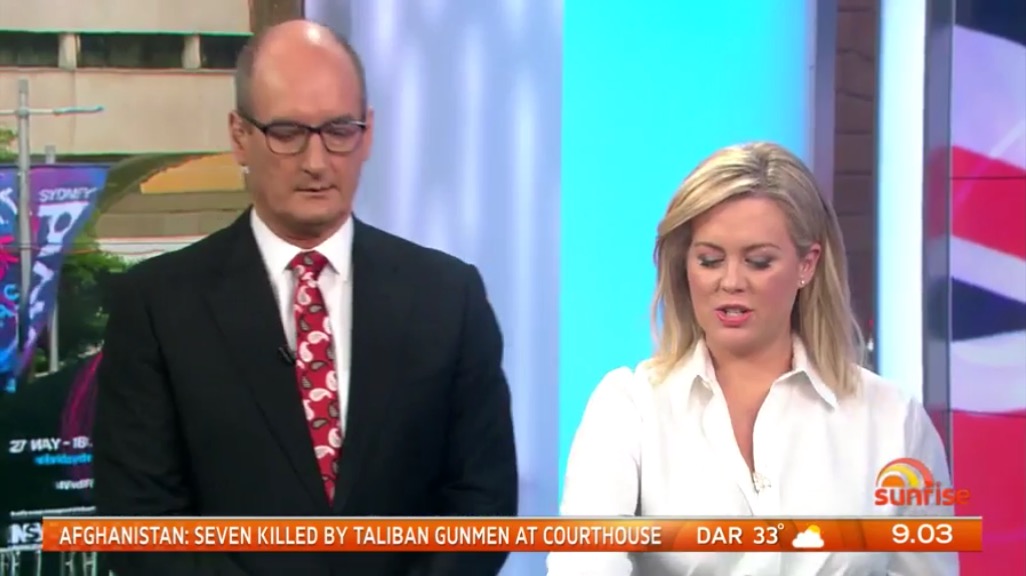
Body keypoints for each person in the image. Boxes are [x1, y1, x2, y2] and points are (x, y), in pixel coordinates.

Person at [92, 20, 518, 576]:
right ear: (239, 136)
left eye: (339, 130)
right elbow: (141, 526)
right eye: (288, 132)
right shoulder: (156, 308)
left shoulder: (449, 298)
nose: (316, 161)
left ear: (368, 134)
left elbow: (482, 506)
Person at [547, 142, 958, 575]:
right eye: (709, 260)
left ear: (807, 264)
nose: (731, 282)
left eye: (758, 262)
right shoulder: (630, 408)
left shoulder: (892, 420)